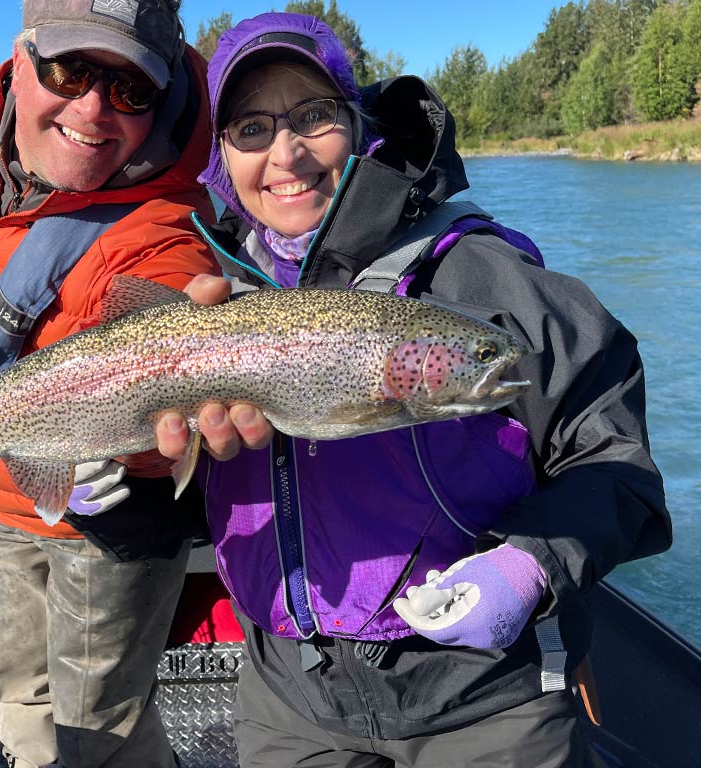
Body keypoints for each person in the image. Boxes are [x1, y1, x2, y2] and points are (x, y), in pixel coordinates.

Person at [153, 12, 671, 768]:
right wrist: (115, 481)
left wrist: (528, 564)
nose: (287, 151)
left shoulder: (485, 277)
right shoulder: (212, 300)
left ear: (358, 121)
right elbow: (177, 513)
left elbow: (618, 465)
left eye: (314, 114)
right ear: (220, 159)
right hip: (288, 695)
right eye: (252, 127)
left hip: (484, 698)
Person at [0, 1, 218, 766]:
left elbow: (171, 407)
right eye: (69, 71)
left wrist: (139, 457)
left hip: (106, 522)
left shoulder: (168, 235)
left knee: (104, 727)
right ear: (21, 56)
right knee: (12, 692)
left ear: (162, 98)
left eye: (131, 90)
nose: (94, 110)